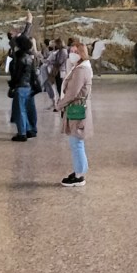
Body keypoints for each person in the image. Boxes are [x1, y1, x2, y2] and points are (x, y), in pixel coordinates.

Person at [58, 41, 93, 186]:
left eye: (75, 52)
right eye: (71, 51)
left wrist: (59, 105)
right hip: (78, 107)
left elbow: (72, 93)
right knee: (76, 141)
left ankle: (79, 175)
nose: (72, 54)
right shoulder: (79, 67)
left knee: (76, 141)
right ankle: (79, 170)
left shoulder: (81, 70)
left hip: (76, 108)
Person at [9, 35, 38, 141]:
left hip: (21, 86)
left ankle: (22, 133)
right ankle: (29, 129)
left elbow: (17, 75)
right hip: (29, 87)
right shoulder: (29, 57)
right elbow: (33, 73)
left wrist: (12, 86)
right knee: (28, 109)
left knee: (20, 110)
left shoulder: (19, 59)